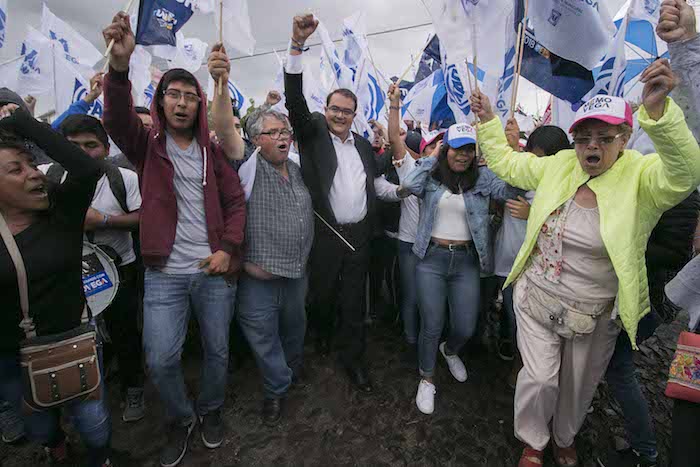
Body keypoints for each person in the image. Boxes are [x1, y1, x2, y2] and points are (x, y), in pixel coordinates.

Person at [470, 57, 700, 467]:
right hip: (539, 297)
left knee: (578, 389)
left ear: (624, 137)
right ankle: (532, 441)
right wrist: (488, 121)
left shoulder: (642, 177)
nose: (591, 145)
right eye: (583, 137)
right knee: (540, 379)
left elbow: (685, 174)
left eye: (603, 136)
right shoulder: (559, 165)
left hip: (595, 312)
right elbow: (509, 164)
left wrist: (660, 115)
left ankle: (564, 437)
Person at [102, 13, 246, 467]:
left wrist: (226, 249)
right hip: (164, 274)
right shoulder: (147, 147)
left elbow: (237, 204)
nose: (182, 104)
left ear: (199, 105)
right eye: (174, 96)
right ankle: (182, 419)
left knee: (217, 351)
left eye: (190, 96)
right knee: (162, 360)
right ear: (161, 103)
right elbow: (117, 119)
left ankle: (211, 410)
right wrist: (119, 68)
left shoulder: (213, 154)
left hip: (212, 272)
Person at [284, 14, 401, 393]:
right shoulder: (314, 135)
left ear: (354, 116)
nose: (338, 115)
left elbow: (376, 184)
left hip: (360, 238)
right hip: (325, 235)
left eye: (346, 111)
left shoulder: (365, 146)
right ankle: (320, 336)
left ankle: (354, 361)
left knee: (354, 304)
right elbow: (295, 101)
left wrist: (403, 190)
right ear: (326, 110)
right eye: (333, 108)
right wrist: (297, 47)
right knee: (322, 296)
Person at [0, 103, 110, 466]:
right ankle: (56, 447)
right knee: (40, 427)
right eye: (16, 169)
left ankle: (98, 456)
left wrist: (22, 123)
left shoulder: (60, 212)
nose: (33, 175)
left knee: (94, 425)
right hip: (13, 357)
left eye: (32, 165)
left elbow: (86, 167)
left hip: (74, 341)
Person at [209, 45, 313, 426]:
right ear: (255, 140)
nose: (283, 136)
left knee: (294, 330)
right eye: (273, 132)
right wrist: (220, 82)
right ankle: (276, 389)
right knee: (263, 338)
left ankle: (292, 371)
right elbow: (223, 128)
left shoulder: (299, 167)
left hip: (296, 277)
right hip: (258, 280)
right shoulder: (247, 165)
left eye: (285, 131)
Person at [401, 120, 517, 415]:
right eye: (456, 149)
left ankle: (449, 350)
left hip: (466, 261)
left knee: (465, 325)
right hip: (431, 259)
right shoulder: (430, 178)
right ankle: (427, 378)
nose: (462, 155)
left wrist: (511, 150)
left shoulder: (484, 179)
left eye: (468, 149)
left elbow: (510, 191)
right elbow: (408, 185)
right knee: (432, 323)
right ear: (446, 149)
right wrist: (432, 155)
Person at [38, 114, 146, 424]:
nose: (83, 153)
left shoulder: (124, 179)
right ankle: (81, 395)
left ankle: (133, 387)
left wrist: (105, 221)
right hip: (67, 277)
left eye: (91, 145)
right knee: (76, 337)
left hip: (118, 273)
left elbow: (143, 217)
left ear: (106, 147)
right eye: (73, 146)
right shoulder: (46, 176)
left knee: (125, 332)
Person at [495, 123, 570, 374]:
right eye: (534, 157)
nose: (538, 165)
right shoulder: (519, 180)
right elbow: (502, 176)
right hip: (509, 263)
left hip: (541, 271)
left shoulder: (568, 188)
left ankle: (528, 368)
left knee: (535, 325)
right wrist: (509, 146)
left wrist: (534, 214)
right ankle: (515, 357)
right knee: (513, 316)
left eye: (544, 158)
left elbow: (571, 230)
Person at [387, 85, 445, 363]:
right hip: (409, 244)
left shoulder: (450, 175)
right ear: (423, 151)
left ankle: (431, 340)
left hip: (435, 246)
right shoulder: (410, 169)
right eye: (433, 146)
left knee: (432, 298)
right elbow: (393, 138)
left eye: (442, 146)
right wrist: (395, 105)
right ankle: (411, 340)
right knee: (411, 294)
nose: (438, 150)